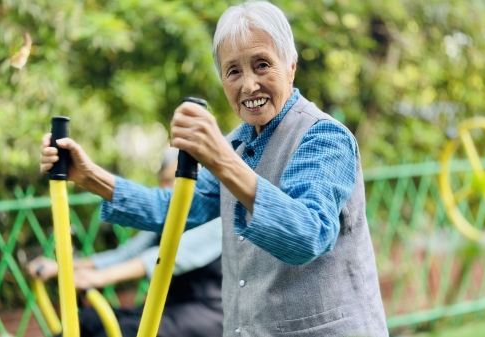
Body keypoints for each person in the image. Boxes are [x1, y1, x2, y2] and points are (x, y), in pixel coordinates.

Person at [39, 1, 388, 336]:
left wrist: (221, 159)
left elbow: (307, 234)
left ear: (291, 64)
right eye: (233, 70)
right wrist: (89, 176)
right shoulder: (236, 143)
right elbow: (172, 209)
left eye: (262, 64)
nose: (248, 85)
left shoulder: (324, 136)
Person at [29, 148, 223, 337]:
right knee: (87, 320)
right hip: (168, 308)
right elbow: (126, 254)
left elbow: (165, 257)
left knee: (122, 331)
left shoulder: (216, 220)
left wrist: (100, 277)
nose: (167, 188)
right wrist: (62, 268)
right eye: (164, 180)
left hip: (205, 313)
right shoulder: (168, 219)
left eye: (174, 181)